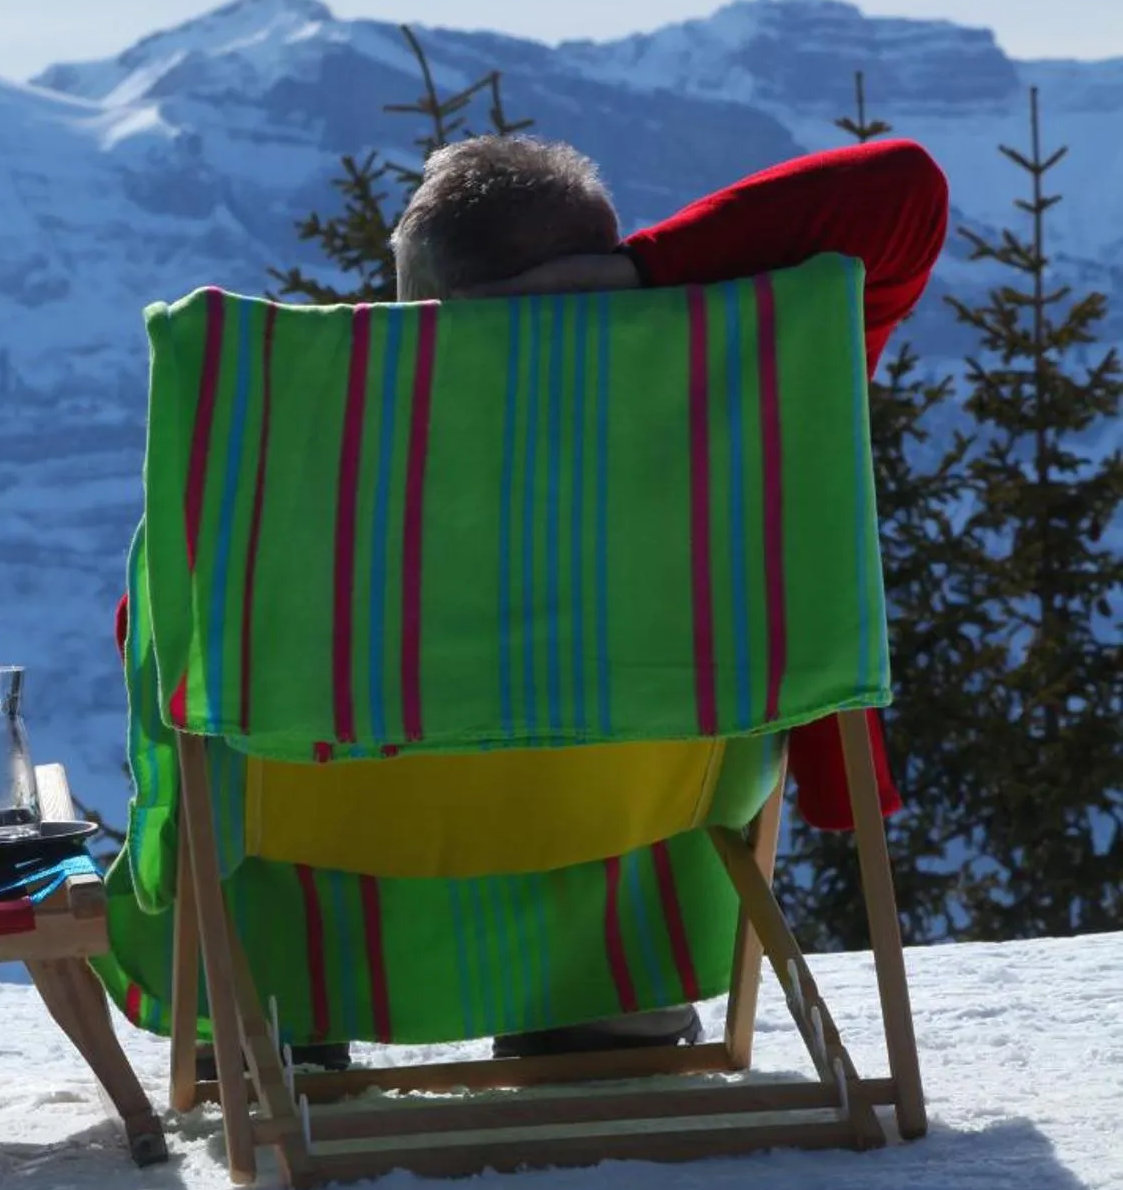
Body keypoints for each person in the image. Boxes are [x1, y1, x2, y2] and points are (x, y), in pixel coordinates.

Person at [124, 135, 949, 1066]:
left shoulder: (309, 460)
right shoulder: (731, 395)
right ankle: (608, 1002)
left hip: (339, 892)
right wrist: (636, 281)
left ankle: (280, 1011)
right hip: (625, 887)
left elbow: (168, 665)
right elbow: (903, 188)